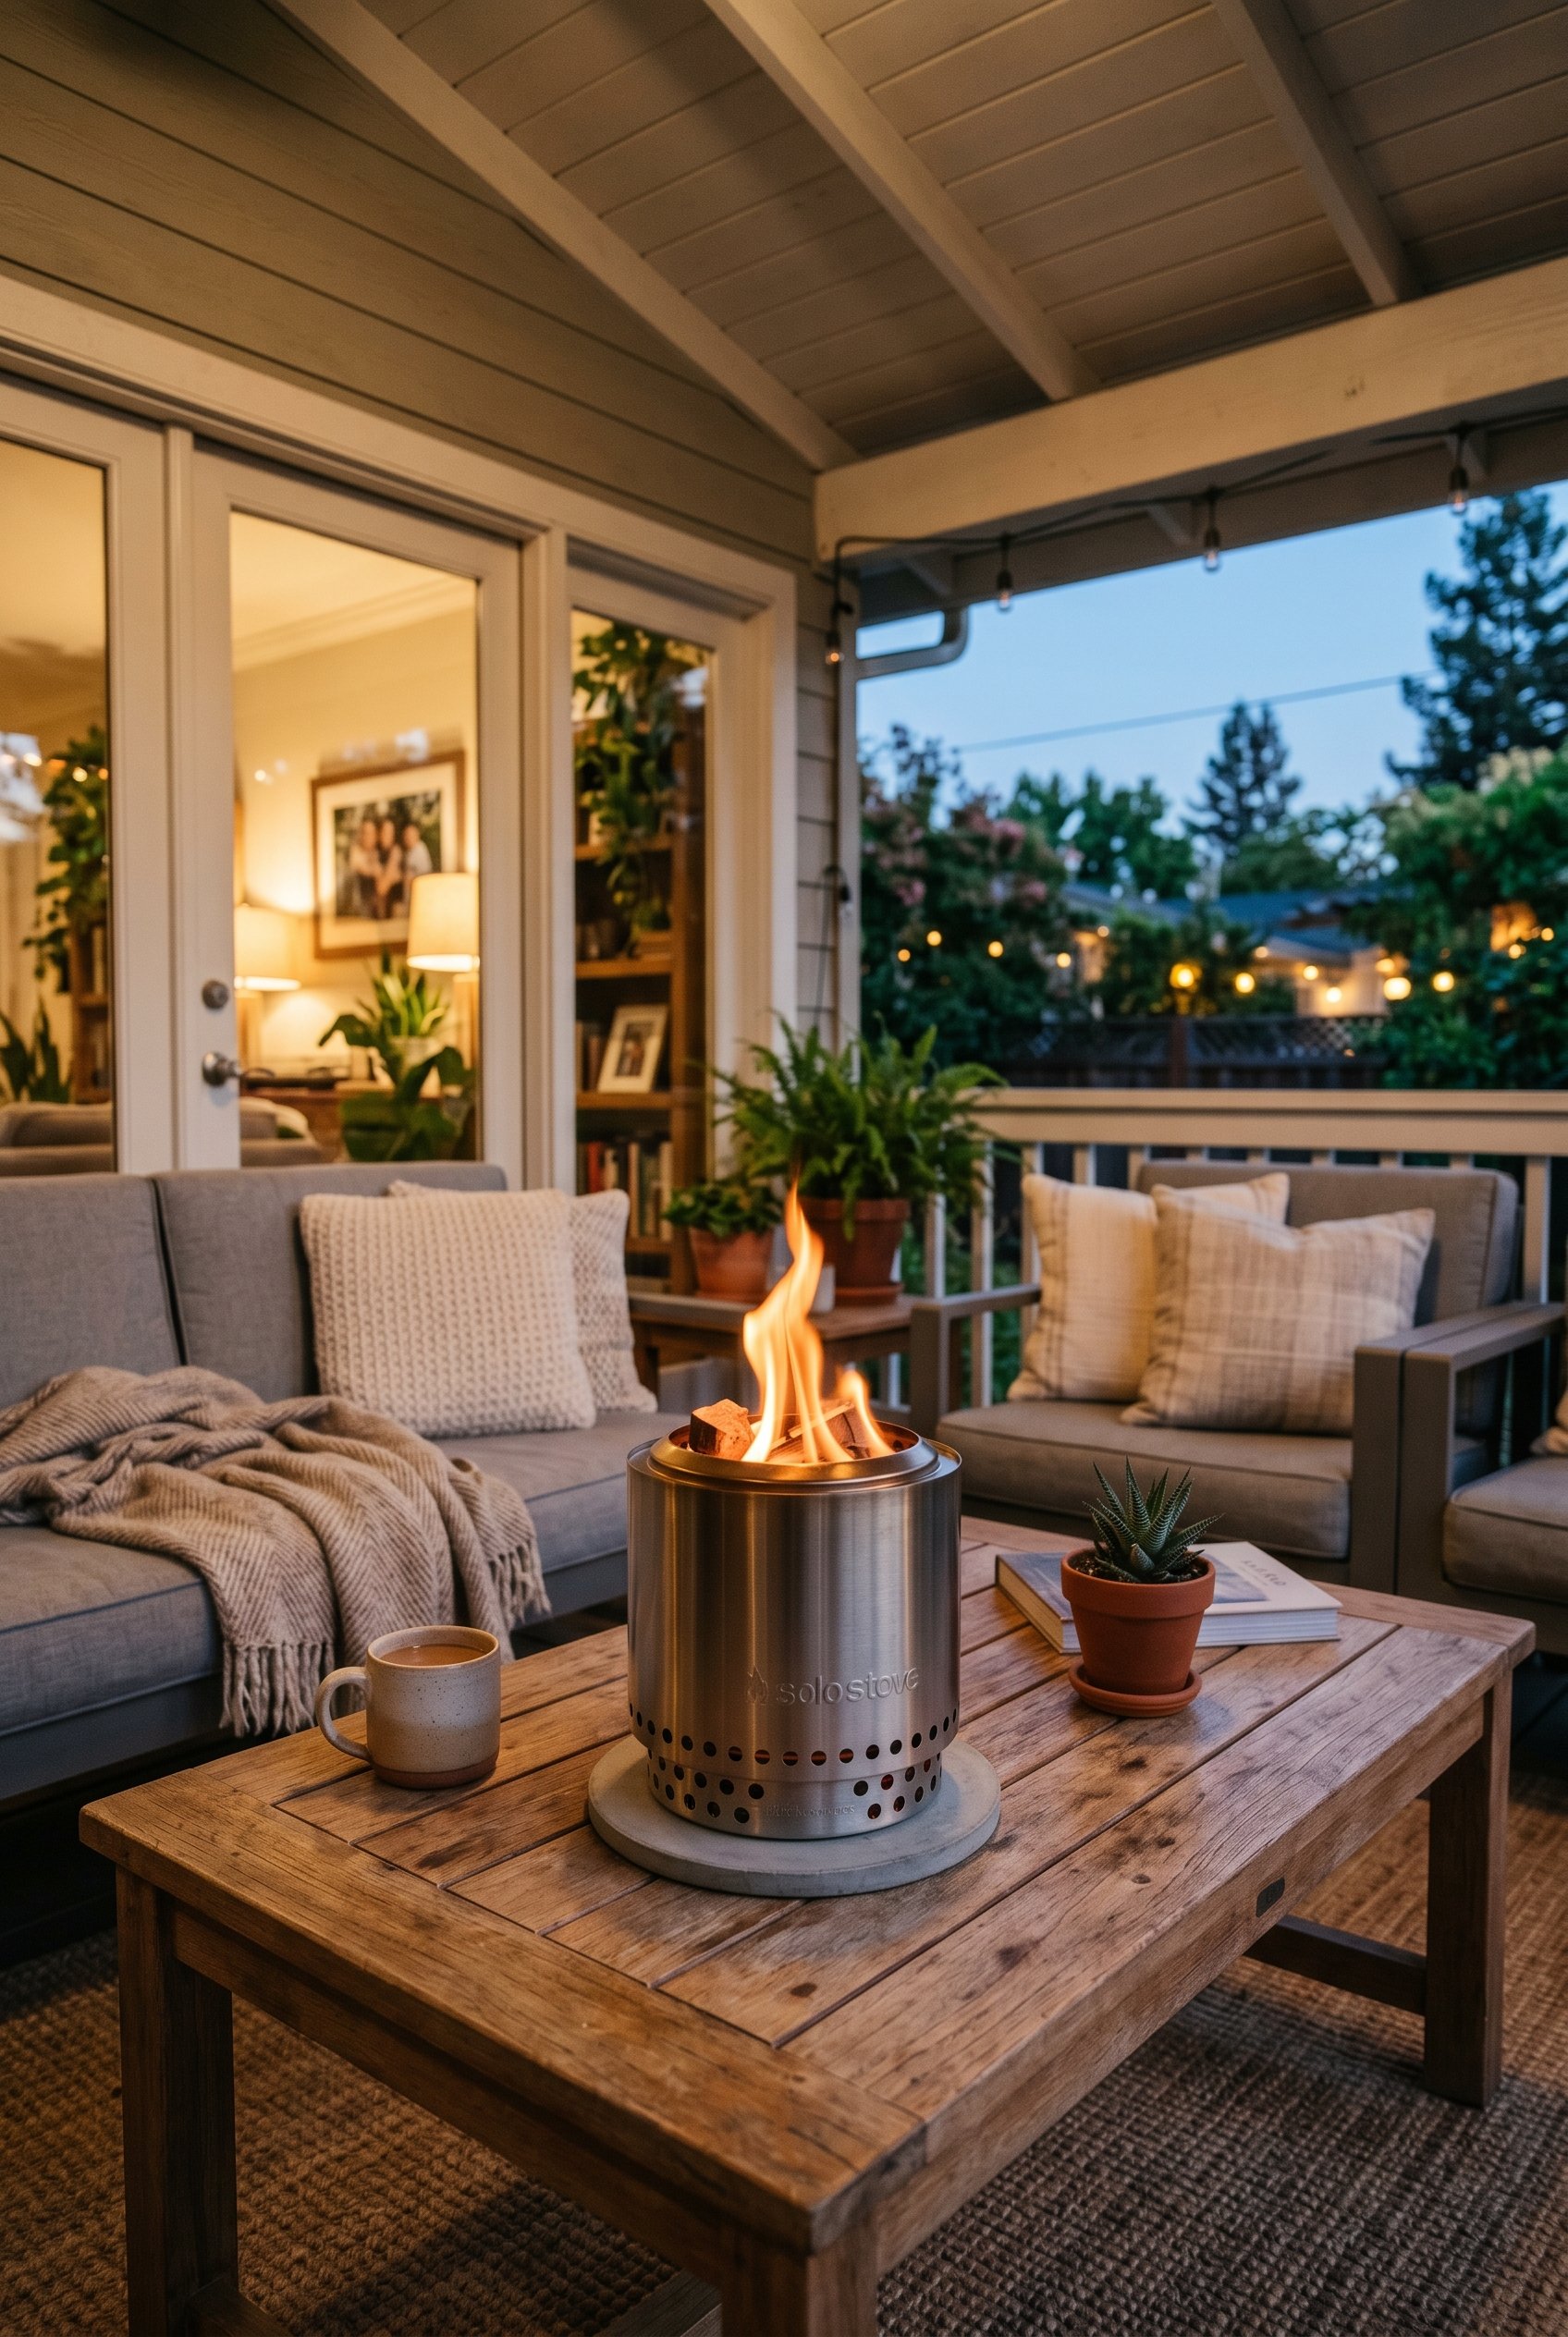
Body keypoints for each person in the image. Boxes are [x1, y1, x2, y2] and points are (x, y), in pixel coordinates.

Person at [346, 814, 380, 918]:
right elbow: (365, 870)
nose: (367, 837)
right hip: (356, 912)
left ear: (376, 836)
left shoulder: (377, 853)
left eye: (370, 833)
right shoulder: (355, 851)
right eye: (364, 833)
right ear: (360, 835)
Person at [374, 814, 403, 920]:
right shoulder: (376, 852)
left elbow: (382, 887)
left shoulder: (396, 851)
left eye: (390, 832)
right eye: (384, 831)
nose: (387, 835)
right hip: (379, 910)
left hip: (397, 905)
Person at [401, 817, 435, 884]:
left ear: (417, 835)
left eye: (411, 835)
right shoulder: (410, 851)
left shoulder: (420, 851)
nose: (408, 838)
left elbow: (420, 876)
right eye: (406, 835)